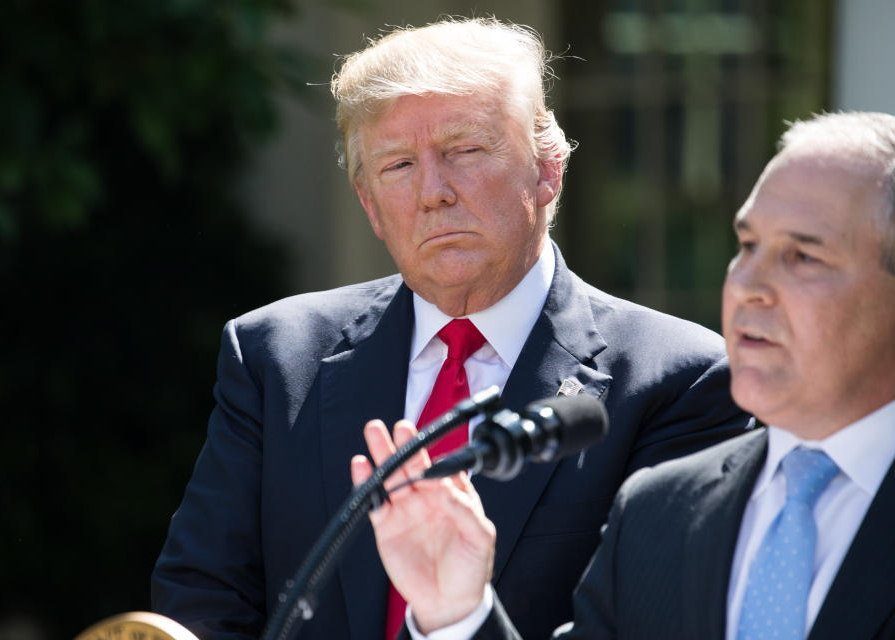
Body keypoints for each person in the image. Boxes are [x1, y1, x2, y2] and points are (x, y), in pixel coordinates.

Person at [151, 17, 751, 640]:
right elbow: (201, 603)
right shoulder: (276, 357)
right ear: (369, 205)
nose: (433, 192)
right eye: (399, 165)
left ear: (549, 169)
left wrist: (460, 623)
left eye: (466, 151)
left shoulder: (679, 382)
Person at [358, 111, 895, 640]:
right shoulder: (662, 508)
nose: (750, 283)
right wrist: (458, 615)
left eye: (802, 256)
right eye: (749, 246)